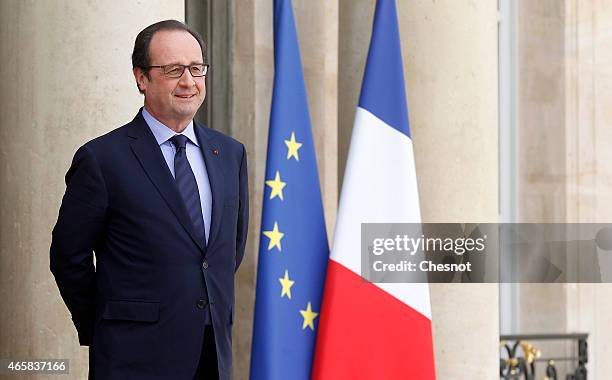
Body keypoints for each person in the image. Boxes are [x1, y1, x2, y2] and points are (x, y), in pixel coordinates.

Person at [50, 20, 248, 380]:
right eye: (173, 70)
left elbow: (228, 250)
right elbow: (68, 257)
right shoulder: (102, 159)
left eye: (196, 68)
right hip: (132, 358)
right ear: (142, 78)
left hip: (211, 354)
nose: (188, 81)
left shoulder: (230, 154)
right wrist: (106, 324)